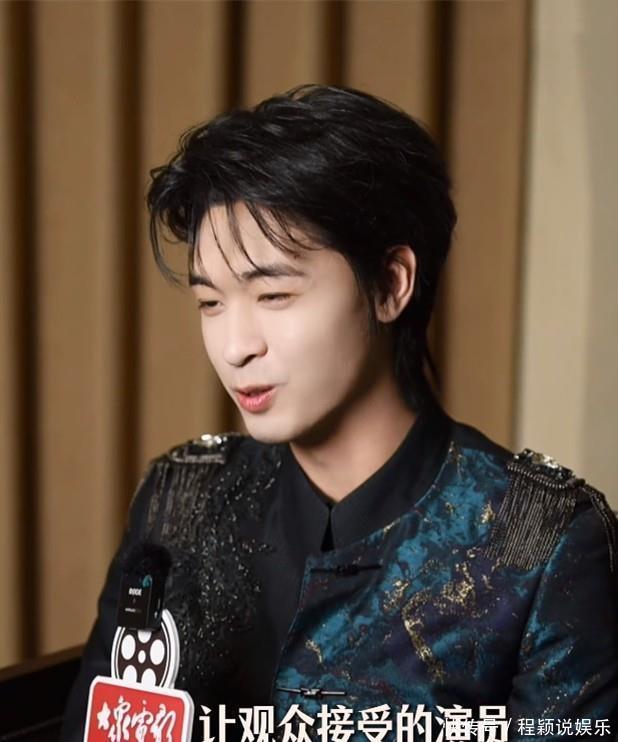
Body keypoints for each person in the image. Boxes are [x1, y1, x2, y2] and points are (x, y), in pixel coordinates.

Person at [61, 85, 618, 741]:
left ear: (390, 284)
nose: (236, 347)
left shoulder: (537, 540)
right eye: (211, 303)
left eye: (273, 295)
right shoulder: (181, 498)